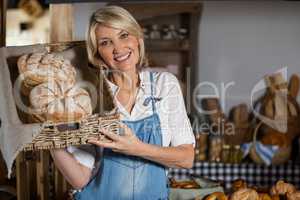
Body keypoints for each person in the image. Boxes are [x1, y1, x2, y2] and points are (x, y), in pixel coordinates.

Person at [50, 5, 195, 200]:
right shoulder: (89, 96)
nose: (118, 48)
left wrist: (135, 147)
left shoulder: (164, 85)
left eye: (124, 35)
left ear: (138, 38)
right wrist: (52, 141)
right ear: (97, 52)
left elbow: (186, 158)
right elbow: (81, 179)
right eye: (106, 42)